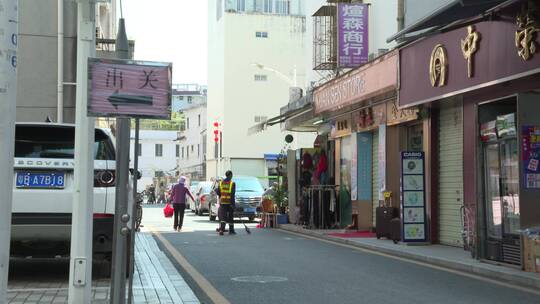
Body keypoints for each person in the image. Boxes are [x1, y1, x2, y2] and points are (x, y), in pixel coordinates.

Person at [215, 170, 236, 235]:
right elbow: (232, 194)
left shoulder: (221, 183)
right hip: (229, 202)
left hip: (223, 202)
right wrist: (233, 204)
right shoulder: (232, 183)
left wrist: (219, 193)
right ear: (230, 175)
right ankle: (231, 230)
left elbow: (218, 192)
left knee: (223, 216)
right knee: (230, 216)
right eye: (231, 175)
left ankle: (222, 229)